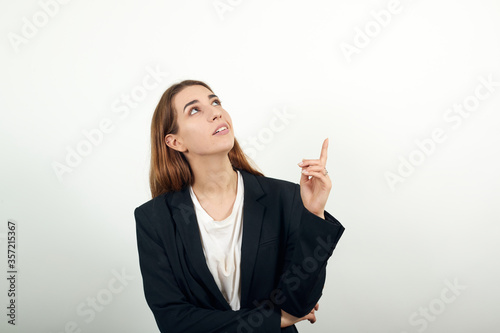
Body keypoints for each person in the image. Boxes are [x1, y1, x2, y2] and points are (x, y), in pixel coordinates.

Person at [134, 80, 345, 333]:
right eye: (194, 110)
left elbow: (299, 303)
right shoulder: (154, 219)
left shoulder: (284, 197)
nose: (216, 112)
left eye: (215, 102)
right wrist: (273, 319)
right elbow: (175, 321)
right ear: (175, 142)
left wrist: (314, 214)